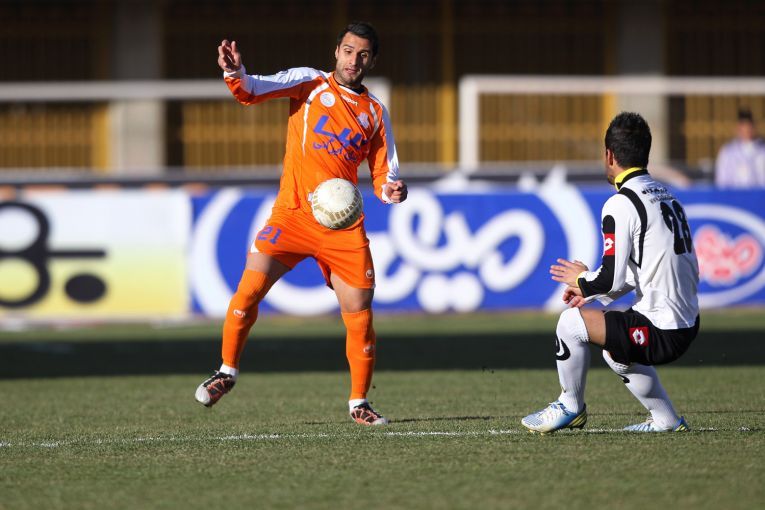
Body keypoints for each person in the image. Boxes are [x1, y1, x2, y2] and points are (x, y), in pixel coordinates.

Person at [195, 22, 407, 426]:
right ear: (337, 51)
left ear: (373, 61)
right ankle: (226, 372)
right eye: (348, 51)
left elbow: (384, 174)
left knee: (359, 312)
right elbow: (250, 91)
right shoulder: (309, 83)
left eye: (363, 54)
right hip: (292, 216)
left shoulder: (375, 113)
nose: (354, 60)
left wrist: (392, 191)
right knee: (248, 291)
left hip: (342, 226)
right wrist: (234, 72)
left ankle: (359, 403)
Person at [522, 112, 700, 433]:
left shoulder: (621, 203)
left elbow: (610, 278)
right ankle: (666, 420)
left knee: (570, 324)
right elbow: (642, 270)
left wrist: (581, 279)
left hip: (662, 329)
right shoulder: (666, 195)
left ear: (609, 155)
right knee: (616, 351)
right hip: (687, 322)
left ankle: (570, 406)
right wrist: (590, 291)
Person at [715, 108, 765, 188]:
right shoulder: (728, 152)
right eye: (744, 126)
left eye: (749, 126)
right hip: (735, 194)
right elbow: (722, 181)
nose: (747, 129)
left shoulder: (762, 150)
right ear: (738, 128)